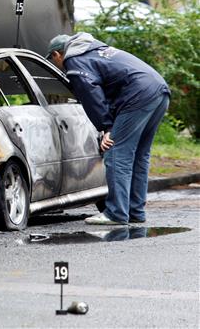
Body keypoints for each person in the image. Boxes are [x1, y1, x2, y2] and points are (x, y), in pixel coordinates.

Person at [46, 33, 170, 225]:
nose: (57, 65)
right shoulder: (95, 50)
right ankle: (135, 211)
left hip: (138, 95)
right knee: (139, 155)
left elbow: (90, 94)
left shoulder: (75, 62)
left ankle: (116, 213)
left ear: (57, 54)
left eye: (53, 60)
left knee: (116, 153)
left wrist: (106, 127)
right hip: (158, 89)